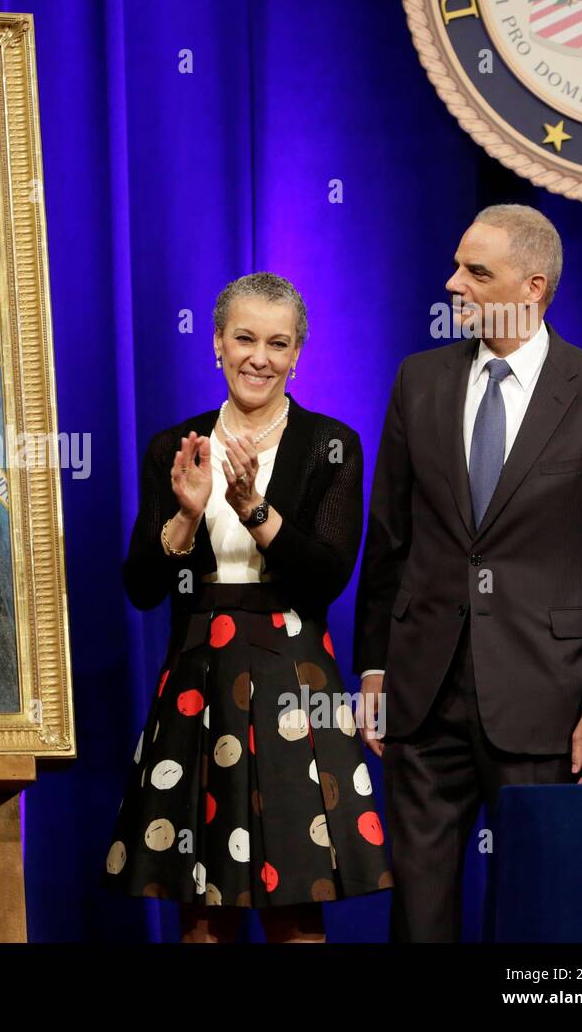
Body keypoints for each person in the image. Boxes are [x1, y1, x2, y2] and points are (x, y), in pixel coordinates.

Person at [354, 204, 582, 942]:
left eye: (475, 271)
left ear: (533, 286)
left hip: (547, 701)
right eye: (458, 264)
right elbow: (387, 539)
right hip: (421, 700)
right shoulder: (418, 379)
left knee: (538, 914)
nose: (452, 281)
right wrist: (371, 670)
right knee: (420, 920)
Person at [100, 272, 392, 943]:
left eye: (278, 343)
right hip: (197, 682)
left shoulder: (331, 444)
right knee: (203, 907)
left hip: (294, 682)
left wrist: (253, 511)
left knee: (296, 898)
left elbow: (326, 577)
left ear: (298, 354)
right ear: (217, 344)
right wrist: (187, 513)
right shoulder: (176, 446)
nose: (260, 357)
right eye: (245, 338)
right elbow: (142, 586)